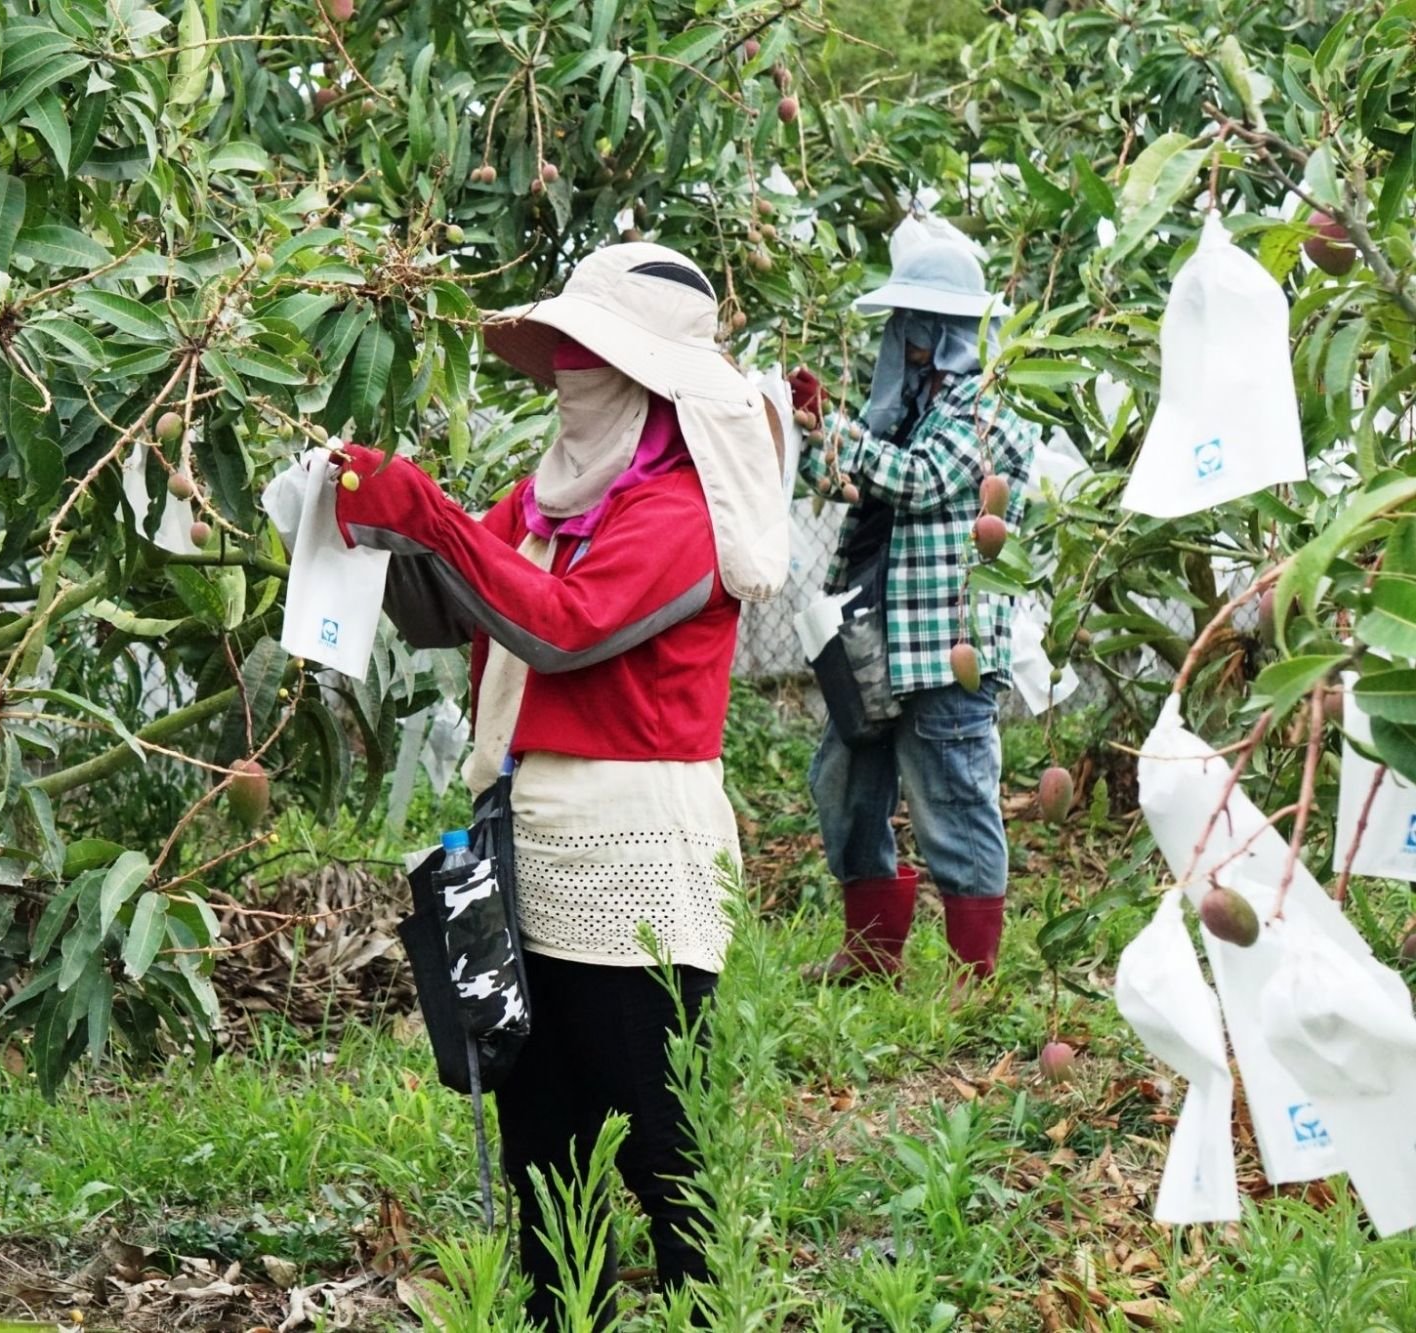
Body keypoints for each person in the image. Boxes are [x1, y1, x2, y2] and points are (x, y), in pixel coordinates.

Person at [327, 243, 788, 1325]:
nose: (565, 375)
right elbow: (449, 611)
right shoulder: (545, 500)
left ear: (647, 383)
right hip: (525, 838)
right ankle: (554, 1314)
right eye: (566, 351)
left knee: (655, 1122)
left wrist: (428, 514)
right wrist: (368, 521)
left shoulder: (681, 514)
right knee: (539, 1127)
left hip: (637, 856)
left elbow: (567, 630)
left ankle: (703, 1311)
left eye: (589, 353)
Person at [794, 230, 1039, 989]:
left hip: (945, 646)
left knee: (954, 801)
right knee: (844, 784)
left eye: (913, 324)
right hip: (875, 639)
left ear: (941, 332)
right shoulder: (907, 407)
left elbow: (920, 479)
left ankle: (977, 972)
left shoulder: (989, 408)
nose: (902, 339)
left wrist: (833, 431)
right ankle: (871, 952)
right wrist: (805, 426)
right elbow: (850, 476)